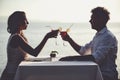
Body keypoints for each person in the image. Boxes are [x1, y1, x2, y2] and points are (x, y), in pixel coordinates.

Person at [59, 7, 118, 80]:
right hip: (98, 75)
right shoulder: (98, 36)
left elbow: (95, 58)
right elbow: (83, 51)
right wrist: (69, 39)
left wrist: (70, 58)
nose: (90, 21)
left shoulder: (108, 37)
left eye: (92, 18)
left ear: (100, 20)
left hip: (107, 77)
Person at [0, 11, 59, 80]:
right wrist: (47, 37)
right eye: (25, 20)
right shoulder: (16, 38)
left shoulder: (18, 35)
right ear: (19, 22)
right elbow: (35, 53)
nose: (27, 22)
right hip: (10, 76)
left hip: (13, 73)